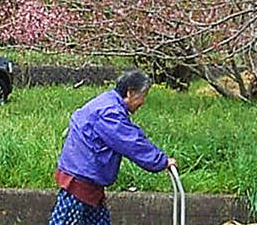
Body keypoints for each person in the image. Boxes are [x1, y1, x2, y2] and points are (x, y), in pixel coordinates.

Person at [48, 70, 176, 225]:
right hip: (79, 180)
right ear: (130, 92)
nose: (143, 101)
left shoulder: (108, 102)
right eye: (143, 96)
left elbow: (130, 136)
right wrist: (161, 161)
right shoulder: (110, 113)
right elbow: (131, 142)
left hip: (85, 177)